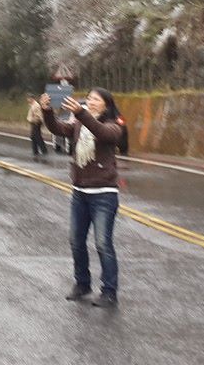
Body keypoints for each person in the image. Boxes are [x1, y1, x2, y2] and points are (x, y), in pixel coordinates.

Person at [40, 87, 123, 308]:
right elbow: (57, 128)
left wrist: (81, 113)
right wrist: (46, 110)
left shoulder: (113, 125)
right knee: (76, 241)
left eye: (96, 100)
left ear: (107, 105)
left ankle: (109, 291)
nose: (91, 102)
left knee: (103, 243)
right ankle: (82, 284)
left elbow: (102, 133)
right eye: (89, 99)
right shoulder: (79, 123)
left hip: (104, 194)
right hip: (80, 193)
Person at [26, 95, 47, 159]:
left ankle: (44, 151)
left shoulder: (36, 105)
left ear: (32, 98)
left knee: (38, 137)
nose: (27, 100)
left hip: (36, 123)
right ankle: (35, 151)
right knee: (33, 137)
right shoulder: (32, 105)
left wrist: (36, 121)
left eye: (29, 98)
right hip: (34, 122)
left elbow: (39, 115)